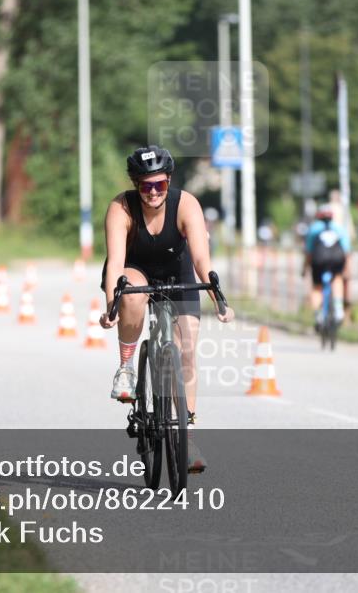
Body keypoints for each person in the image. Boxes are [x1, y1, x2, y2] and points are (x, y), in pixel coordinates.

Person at [99, 146, 234, 473]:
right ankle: (128, 368)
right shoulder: (121, 207)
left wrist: (218, 297)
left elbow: (202, 258)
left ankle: (186, 437)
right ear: (135, 184)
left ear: (169, 181)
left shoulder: (186, 204)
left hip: (178, 271)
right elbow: (115, 262)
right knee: (131, 293)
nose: (154, 192)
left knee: (187, 348)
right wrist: (110, 306)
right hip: (134, 269)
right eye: (146, 186)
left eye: (160, 184)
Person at [304, 204, 351, 327]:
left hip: (318, 261)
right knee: (337, 279)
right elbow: (346, 252)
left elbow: (308, 252)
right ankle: (339, 309)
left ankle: (318, 315)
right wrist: (346, 268)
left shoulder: (314, 229)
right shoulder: (339, 228)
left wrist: (305, 268)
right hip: (336, 260)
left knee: (317, 287)